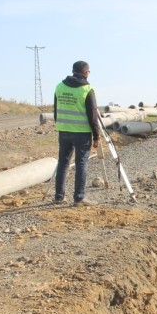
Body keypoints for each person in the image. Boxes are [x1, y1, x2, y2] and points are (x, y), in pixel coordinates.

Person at [53, 60, 101, 207]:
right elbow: (93, 116)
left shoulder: (59, 87)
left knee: (63, 163)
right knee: (81, 163)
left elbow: (56, 110)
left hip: (64, 130)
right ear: (86, 72)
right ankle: (79, 198)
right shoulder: (87, 89)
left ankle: (59, 196)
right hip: (81, 133)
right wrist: (96, 136)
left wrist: (61, 124)